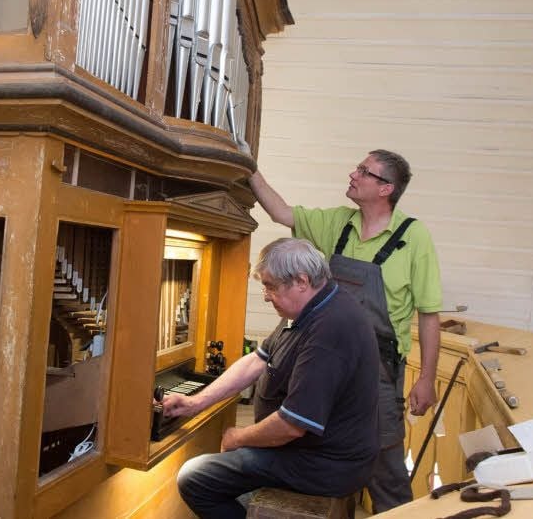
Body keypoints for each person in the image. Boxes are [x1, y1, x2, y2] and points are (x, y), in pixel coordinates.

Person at [248, 149, 443, 513]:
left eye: (364, 171)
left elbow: (429, 315)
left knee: (385, 470)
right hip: (324, 363)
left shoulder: (414, 237)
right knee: (322, 455)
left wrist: (427, 378)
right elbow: (281, 212)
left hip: (378, 375)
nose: (353, 174)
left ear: (386, 188)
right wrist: (249, 167)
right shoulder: (339, 223)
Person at [162, 238, 379, 519]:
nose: (265, 295)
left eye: (270, 286)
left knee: (196, 477)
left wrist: (239, 437)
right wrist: (195, 403)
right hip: (310, 452)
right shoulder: (310, 305)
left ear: (301, 281)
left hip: (325, 464)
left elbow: (291, 426)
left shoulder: (331, 330)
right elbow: (257, 360)